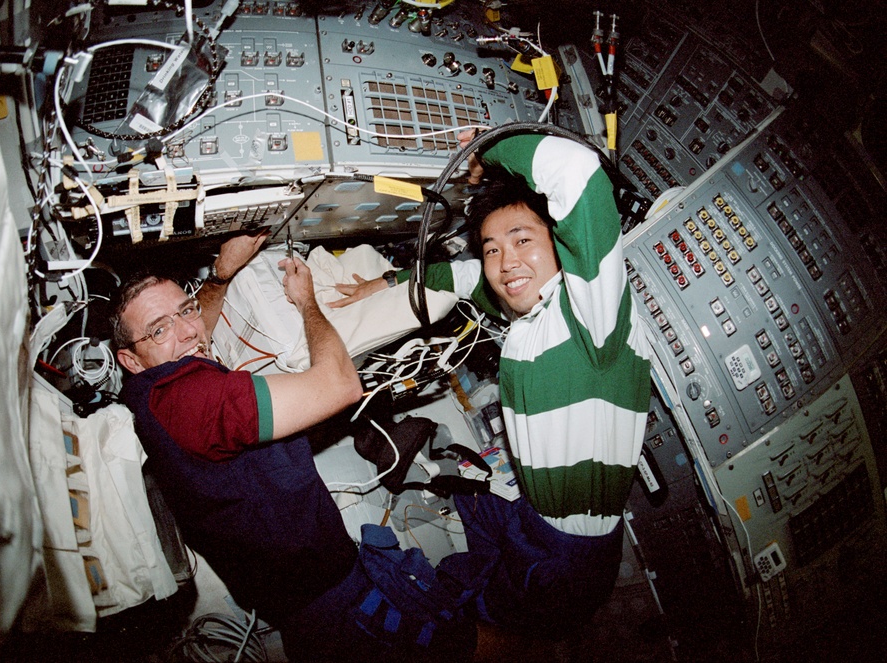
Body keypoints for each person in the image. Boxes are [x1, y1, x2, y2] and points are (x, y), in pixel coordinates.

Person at [331, 131, 653, 645]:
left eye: (523, 240)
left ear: (562, 244)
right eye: (493, 249)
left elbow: (577, 171)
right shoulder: (529, 308)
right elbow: (462, 278)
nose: (506, 262)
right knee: (469, 505)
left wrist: (489, 149)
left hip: (566, 555)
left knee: (490, 631)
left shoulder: (593, 318)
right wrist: (388, 281)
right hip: (534, 512)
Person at [111, 231, 363, 652]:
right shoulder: (197, 403)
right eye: (158, 329)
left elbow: (193, 336)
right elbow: (342, 385)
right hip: (329, 595)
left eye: (185, 310)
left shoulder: (151, 390)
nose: (188, 330)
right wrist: (306, 301)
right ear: (130, 360)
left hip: (288, 593)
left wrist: (221, 275)